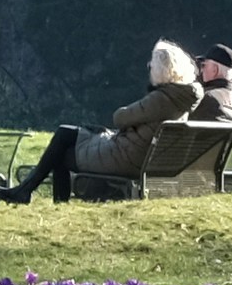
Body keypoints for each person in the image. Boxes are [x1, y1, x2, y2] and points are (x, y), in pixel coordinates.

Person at [31, 41, 204, 201]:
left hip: (128, 158)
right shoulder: (181, 99)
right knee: (66, 133)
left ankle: (39, 197)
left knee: (61, 152)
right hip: (138, 156)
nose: (149, 67)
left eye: (152, 64)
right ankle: (25, 190)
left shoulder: (161, 99)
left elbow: (120, 118)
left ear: (161, 70)